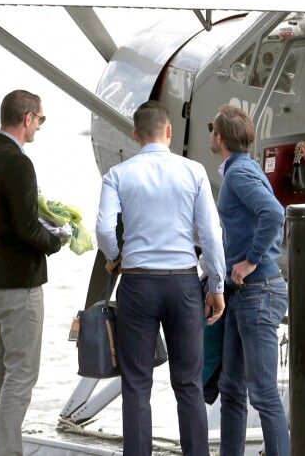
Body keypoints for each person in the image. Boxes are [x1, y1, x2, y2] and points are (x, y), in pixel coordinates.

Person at [95, 100, 226, 456]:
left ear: (135, 135)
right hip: (183, 284)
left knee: (137, 385)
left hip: (137, 284)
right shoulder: (194, 171)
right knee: (188, 384)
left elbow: (105, 229)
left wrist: (115, 257)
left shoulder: (118, 174)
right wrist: (216, 285)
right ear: (169, 131)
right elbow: (212, 235)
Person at [0, 90, 63, 456]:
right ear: (27, 119)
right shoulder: (19, 163)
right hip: (16, 284)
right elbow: (27, 229)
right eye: (40, 120)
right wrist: (58, 239)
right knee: (21, 374)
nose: (39, 126)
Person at [210, 104, 290, 456]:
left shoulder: (240, 174)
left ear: (219, 137)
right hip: (242, 293)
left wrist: (250, 261)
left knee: (263, 392)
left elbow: (274, 213)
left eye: (212, 129)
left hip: (257, 291)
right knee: (231, 386)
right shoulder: (245, 169)